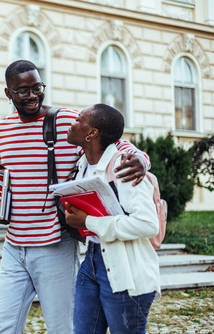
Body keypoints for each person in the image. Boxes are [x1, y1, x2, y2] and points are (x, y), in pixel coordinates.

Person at [0, 59, 151, 334]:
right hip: (14, 245)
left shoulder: (65, 121)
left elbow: (114, 143)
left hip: (55, 244)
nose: (33, 95)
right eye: (23, 91)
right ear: (8, 94)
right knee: (3, 326)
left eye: (37, 87)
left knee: (62, 327)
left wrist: (142, 160)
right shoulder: (1, 131)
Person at [64, 103, 160, 334]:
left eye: (78, 120)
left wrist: (87, 222)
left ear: (92, 133)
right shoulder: (83, 164)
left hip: (127, 268)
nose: (71, 124)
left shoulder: (123, 167)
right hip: (92, 261)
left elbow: (147, 224)